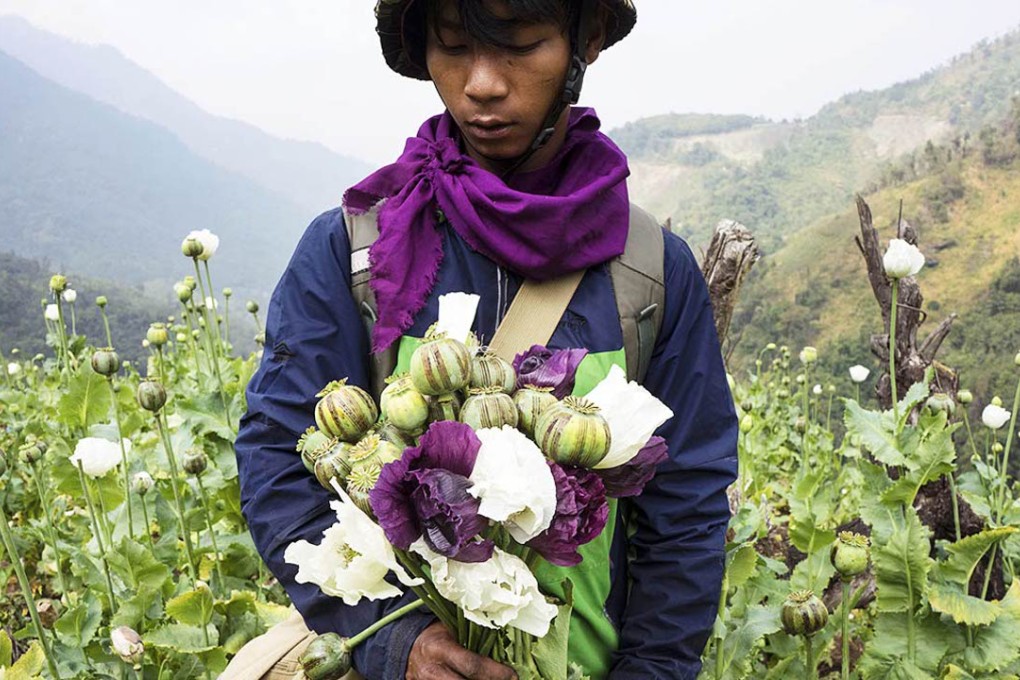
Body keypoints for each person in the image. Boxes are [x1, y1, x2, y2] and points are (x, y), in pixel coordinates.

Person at [233, 1, 738, 678]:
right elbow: (278, 458)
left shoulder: (649, 273)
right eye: (452, 48)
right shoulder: (355, 251)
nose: (482, 84)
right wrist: (393, 645)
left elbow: (688, 508)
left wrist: (649, 671)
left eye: (520, 46)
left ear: (582, 42)